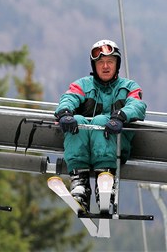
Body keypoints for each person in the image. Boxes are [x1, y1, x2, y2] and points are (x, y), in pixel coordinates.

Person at [54, 39, 147, 211]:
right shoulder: (83, 85)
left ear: (117, 65)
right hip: (84, 147)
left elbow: (138, 105)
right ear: (94, 65)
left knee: (100, 121)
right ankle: (80, 181)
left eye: (110, 62)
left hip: (116, 147)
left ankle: (105, 178)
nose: (105, 66)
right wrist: (65, 112)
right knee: (80, 121)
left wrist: (122, 115)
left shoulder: (128, 87)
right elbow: (69, 97)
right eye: (101, 62)